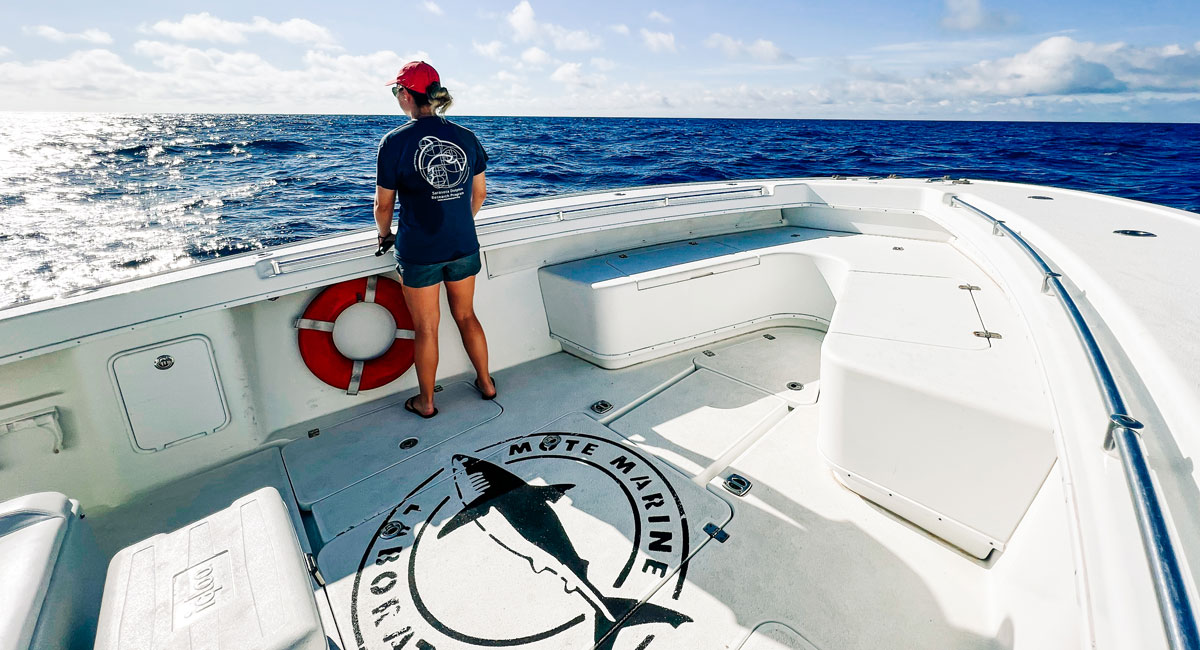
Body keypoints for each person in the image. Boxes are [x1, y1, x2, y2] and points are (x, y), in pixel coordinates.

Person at [374, 61, 494, 419]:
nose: (397, 97)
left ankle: (426, 403)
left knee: (426, 327)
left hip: (419, 251)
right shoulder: (466, 136)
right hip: (462, 244)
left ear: (407, 95)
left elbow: (383, 206)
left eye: (397, 91)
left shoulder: (393, 142)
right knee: (467, 315)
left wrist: (384, 236)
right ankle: (486, 383)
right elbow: (480, 195)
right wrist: (457, 222)